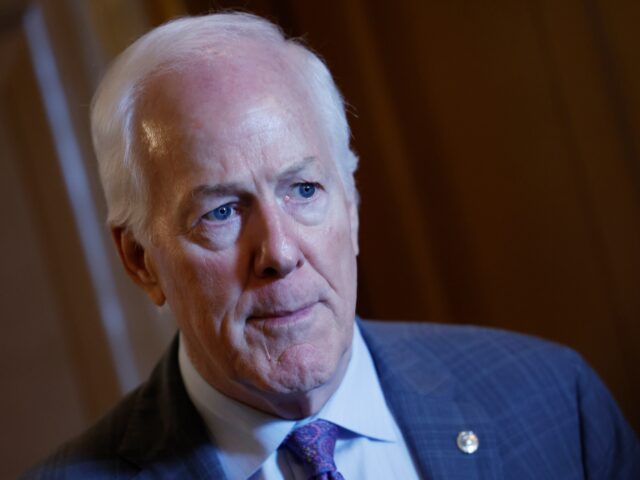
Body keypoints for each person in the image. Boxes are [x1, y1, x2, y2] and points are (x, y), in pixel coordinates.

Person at [23, 12, 639, 480]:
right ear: (139, 260)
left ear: (352, 202)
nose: (279, 253)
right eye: (221, 211)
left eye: (304, 189)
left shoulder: (556, 402)